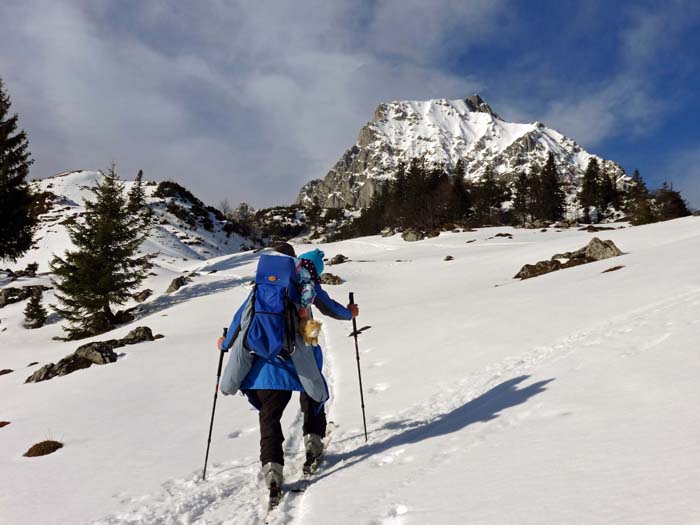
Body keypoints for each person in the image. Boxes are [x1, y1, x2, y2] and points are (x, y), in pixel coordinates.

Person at [217, 243, 358, 499]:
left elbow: (240, 321)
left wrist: (224, 344)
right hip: (299, 360)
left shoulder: (260, 290)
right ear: (294, 261)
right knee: (313, 397)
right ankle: (313, 444)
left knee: (269, 417)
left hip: (264, 367)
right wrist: (350, 313)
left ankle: (272, 469)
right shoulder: (306, 286)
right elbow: (331, 309)